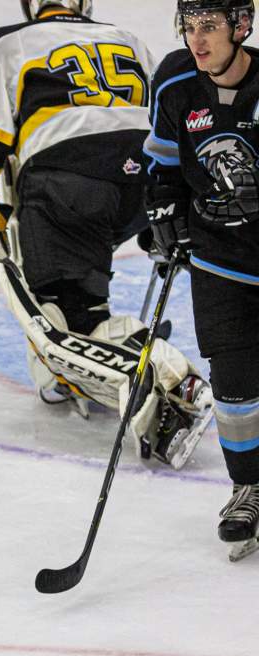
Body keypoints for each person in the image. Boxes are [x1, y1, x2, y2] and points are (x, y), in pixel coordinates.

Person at [0, 0, 213, 469]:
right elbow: (174, 112)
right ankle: (93, 355)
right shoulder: (128, 38)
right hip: (143, 181)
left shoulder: (9, 43)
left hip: (69, 181)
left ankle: (159, 370)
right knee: (79, 288)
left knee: (54, 320)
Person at [145, 0, 259, 556]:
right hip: (220, 262)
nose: (197, 39)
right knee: (235, 384)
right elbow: (162, 167)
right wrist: (162, 212)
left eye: (209, 26)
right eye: (189, 27)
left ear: (240, 27)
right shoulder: (175, 85)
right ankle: (248, 489)